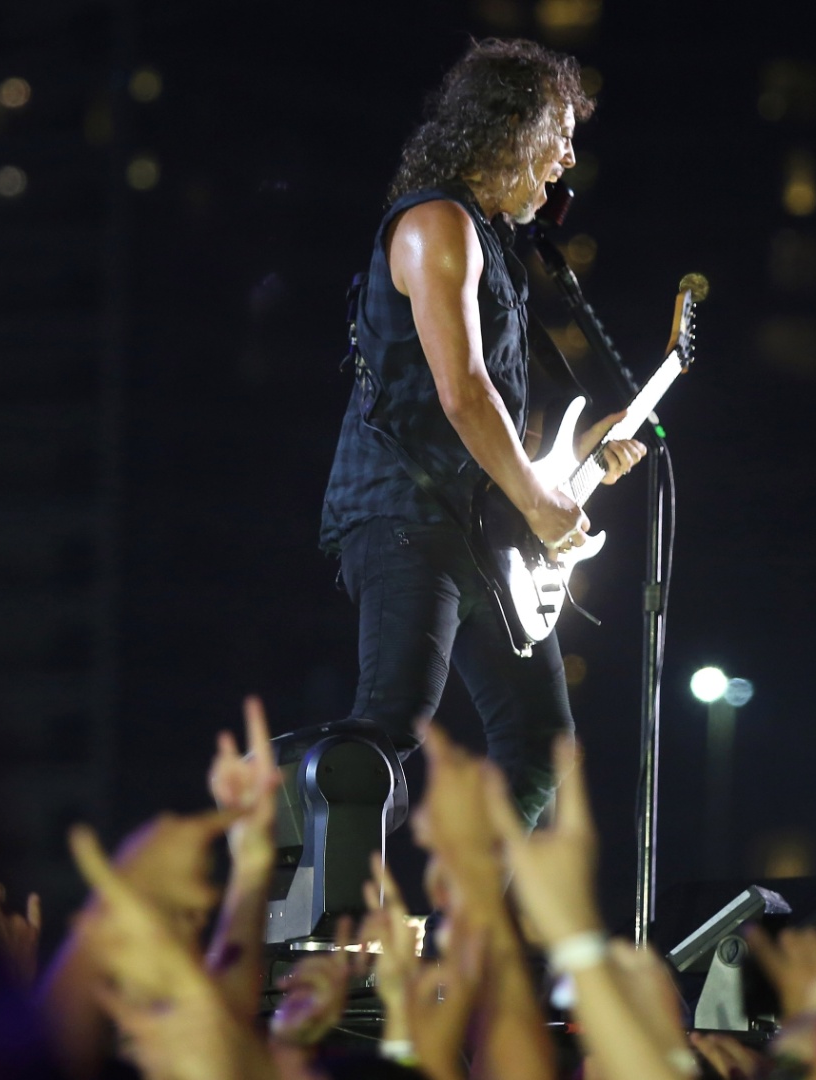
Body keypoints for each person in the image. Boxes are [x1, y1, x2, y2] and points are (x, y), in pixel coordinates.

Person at [319, 38, 645, 826]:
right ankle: (285, 846)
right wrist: (538, 503)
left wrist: (578, 459)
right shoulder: (437, 223)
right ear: (512, 129)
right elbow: (463, 393)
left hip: (477, 527)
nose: (568, 158)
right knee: (389, 725)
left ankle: (463, 909)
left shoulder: (492, 243)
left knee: (541, 746)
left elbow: (488, 414)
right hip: (405, 514)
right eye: (559, 134)